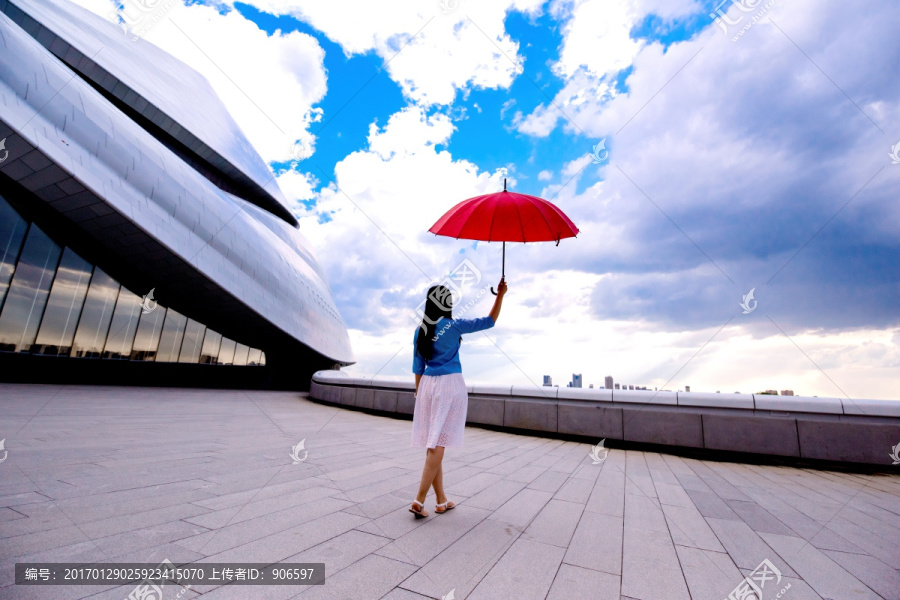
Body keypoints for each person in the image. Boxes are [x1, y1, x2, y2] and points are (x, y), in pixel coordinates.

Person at [409, 277, 507, 518]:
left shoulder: (420, 330)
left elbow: (417, 366)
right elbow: (489, 321)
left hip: (427, 386)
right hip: (450, 385)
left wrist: (419, 393)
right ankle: (419, 500)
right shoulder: (454, 326)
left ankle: (441, 500)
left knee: (434, 443)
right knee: (438, 443)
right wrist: (500, 294)